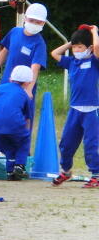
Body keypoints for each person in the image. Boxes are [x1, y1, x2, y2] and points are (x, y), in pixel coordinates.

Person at [0, 3, 48, 159]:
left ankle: (22, 153)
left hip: (24, 89)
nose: (34, 24)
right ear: (25, 18)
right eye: (32, 20)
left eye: (38, 22)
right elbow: (4, 51)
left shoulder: (39, 43)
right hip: (6, 84)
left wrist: (29, 89)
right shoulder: (14, 32)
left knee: (23, 119)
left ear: (43, 23)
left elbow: (35, 67)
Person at [50, 25, 99, 188]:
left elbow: (97, 47)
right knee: (66, 143)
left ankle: (96, 174)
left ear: (89, 48)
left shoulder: (94, 61)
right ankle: (66, 171)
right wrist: (72, 42)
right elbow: (54, 53)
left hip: (91, 110)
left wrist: (94, 32)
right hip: (75, 110)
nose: (76, 50)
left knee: (91, 144)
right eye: (74, 47)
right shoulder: (71, 62)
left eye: (80, 47)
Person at [0, 65, 33, 181]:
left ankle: (10, 172)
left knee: (8, 148)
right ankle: (19, 166)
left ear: (11, 78)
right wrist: (26, 133)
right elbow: (27, 118)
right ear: (27, 82)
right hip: (15, 124)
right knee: (23, 142)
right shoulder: (24, 95)